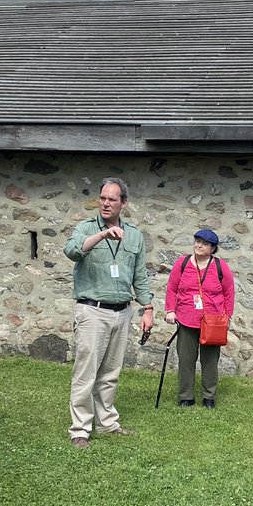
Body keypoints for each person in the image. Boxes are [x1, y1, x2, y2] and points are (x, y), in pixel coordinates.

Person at [64, 177, 154, 448]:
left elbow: (140, 275)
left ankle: (107, 423)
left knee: (111, 372)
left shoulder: (135, 235)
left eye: (111, 199)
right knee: (86, 372)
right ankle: (80, 428)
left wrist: (147, 308)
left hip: (122, 312)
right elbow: (72, 251)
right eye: (102, 198)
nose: (105, 203)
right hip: (93, 311)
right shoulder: (86, 228)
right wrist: (103, 234)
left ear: (123, 203)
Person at [164, 229, 236, 408]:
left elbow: (229, 292)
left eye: (204, 243)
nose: (199, 245)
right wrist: (170, 310)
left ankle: (209, 396)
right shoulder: (182, 263)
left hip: (213, 321)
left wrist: (227, 316)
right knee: (186, 359)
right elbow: (172, 288)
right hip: (186, 319)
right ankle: (185, 396)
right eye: (197, 241)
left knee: (210, 361)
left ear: (212, 248)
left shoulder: (220, 267)